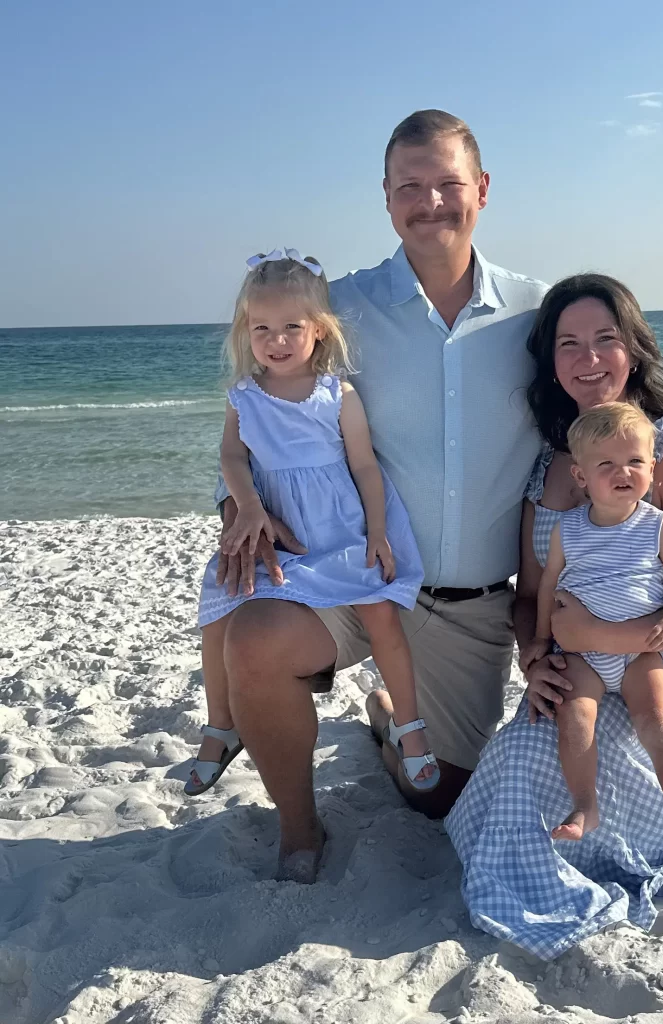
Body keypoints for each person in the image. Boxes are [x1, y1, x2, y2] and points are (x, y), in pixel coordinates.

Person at [210, 111, 548, 874]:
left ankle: (389, 716)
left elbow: (585, 432)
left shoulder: (537, 312)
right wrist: (239, 510)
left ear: (482, 189)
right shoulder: (335, 308)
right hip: (352, 575)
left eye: (448, 184)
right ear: (386, 196)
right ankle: (301, 829)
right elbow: (261, 422)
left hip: (470, 603)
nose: (430, 202)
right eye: (410, 186)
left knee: (440, 799)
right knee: (252, 638)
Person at [446, 274, 663, 959]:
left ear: (633, 350)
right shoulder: (551, 466)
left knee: (613, 760)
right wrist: (535, 656)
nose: (589, 358)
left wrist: (601, 636)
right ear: (550, 362)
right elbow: (529, 596)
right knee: (519, 759)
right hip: (580, 664)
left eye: (605, 339)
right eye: (568, 344)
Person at [187, 251, 434, 876]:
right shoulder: (245, 397)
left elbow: (365, 467)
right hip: (284, 532)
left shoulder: (336, 393)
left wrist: (378, 531)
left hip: (342, 529)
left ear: (319, 329)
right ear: (245, 332)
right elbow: (232, 460)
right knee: (222, 602)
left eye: (291, 327)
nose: (276, 341)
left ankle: (410, 727)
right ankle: (221, 725)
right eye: (261, 329)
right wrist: (247, 507)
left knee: (381, 615)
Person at [520, 402, 663, 850]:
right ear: (581, 476)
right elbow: (547, 586)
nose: (623, 472)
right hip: (581, 657)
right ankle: (585, 805)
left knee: (658, 722)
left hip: (640, 654)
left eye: (635, 461)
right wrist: (541, 639)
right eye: (606, 464)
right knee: (574, 718)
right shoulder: (568, 529)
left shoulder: (657, 526)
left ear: (652, 469)